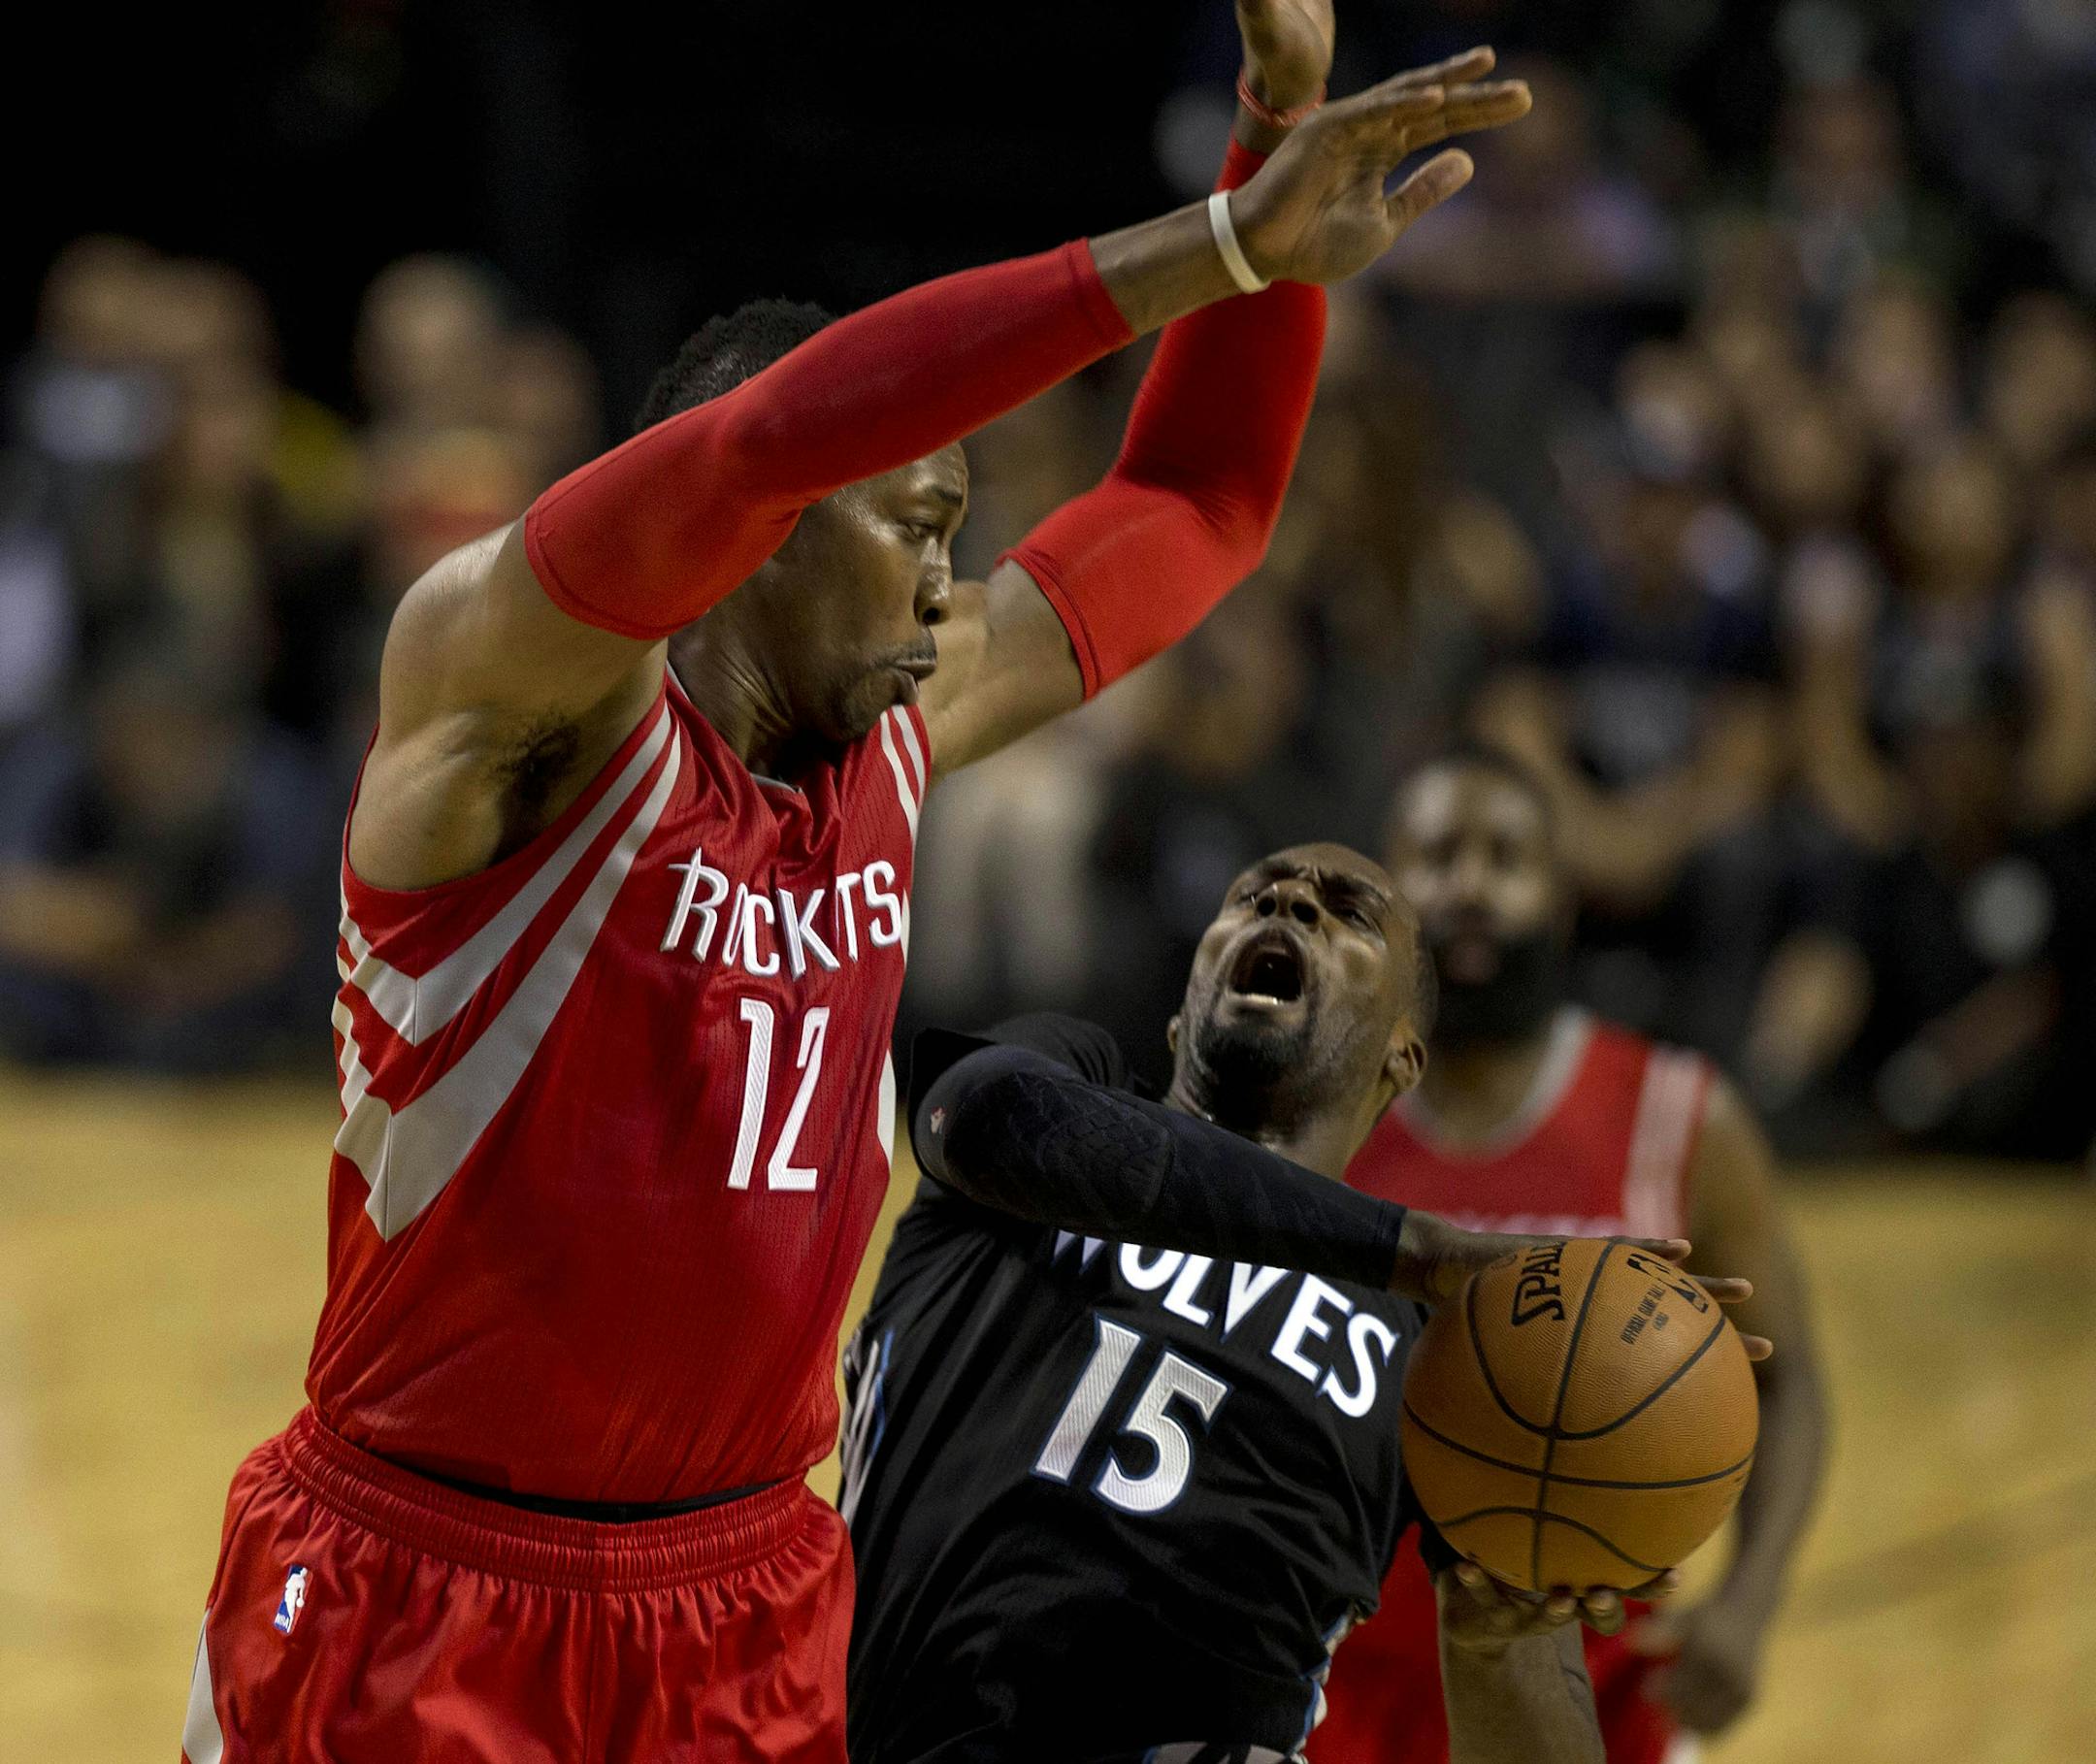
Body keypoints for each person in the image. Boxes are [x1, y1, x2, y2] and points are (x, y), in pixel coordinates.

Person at [180, 10, 1536, 1759]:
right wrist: (1204, 254)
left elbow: (1195, 498)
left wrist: (1265, 150)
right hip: (425, 1583)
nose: (944, 579)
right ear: (763, 538)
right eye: (910, 519)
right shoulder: (505, 693)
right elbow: (772, 440)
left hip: (742, 1601)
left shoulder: (901, 723)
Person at [840, 839, 1769, 1762]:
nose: (1289, 903)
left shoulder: (1443, 1358)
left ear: (1403, 1062)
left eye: (1349, 910)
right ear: (1179, 1020)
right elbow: (987, 1119)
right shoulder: (1052, 1093)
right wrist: (1419, 1247)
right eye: (1253, 895)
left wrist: (1498, 1636)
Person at [1315, 749, 1826, 1764]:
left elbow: (1795, 1380)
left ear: (1563, 898)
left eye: (1506, 857)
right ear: (1390, 903)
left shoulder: (1681, 1117)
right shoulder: (1312, 1118)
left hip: (1592, 1703)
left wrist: (1751, 1603)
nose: (1469, 883)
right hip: (1336, 1683)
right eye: (1438, 853)